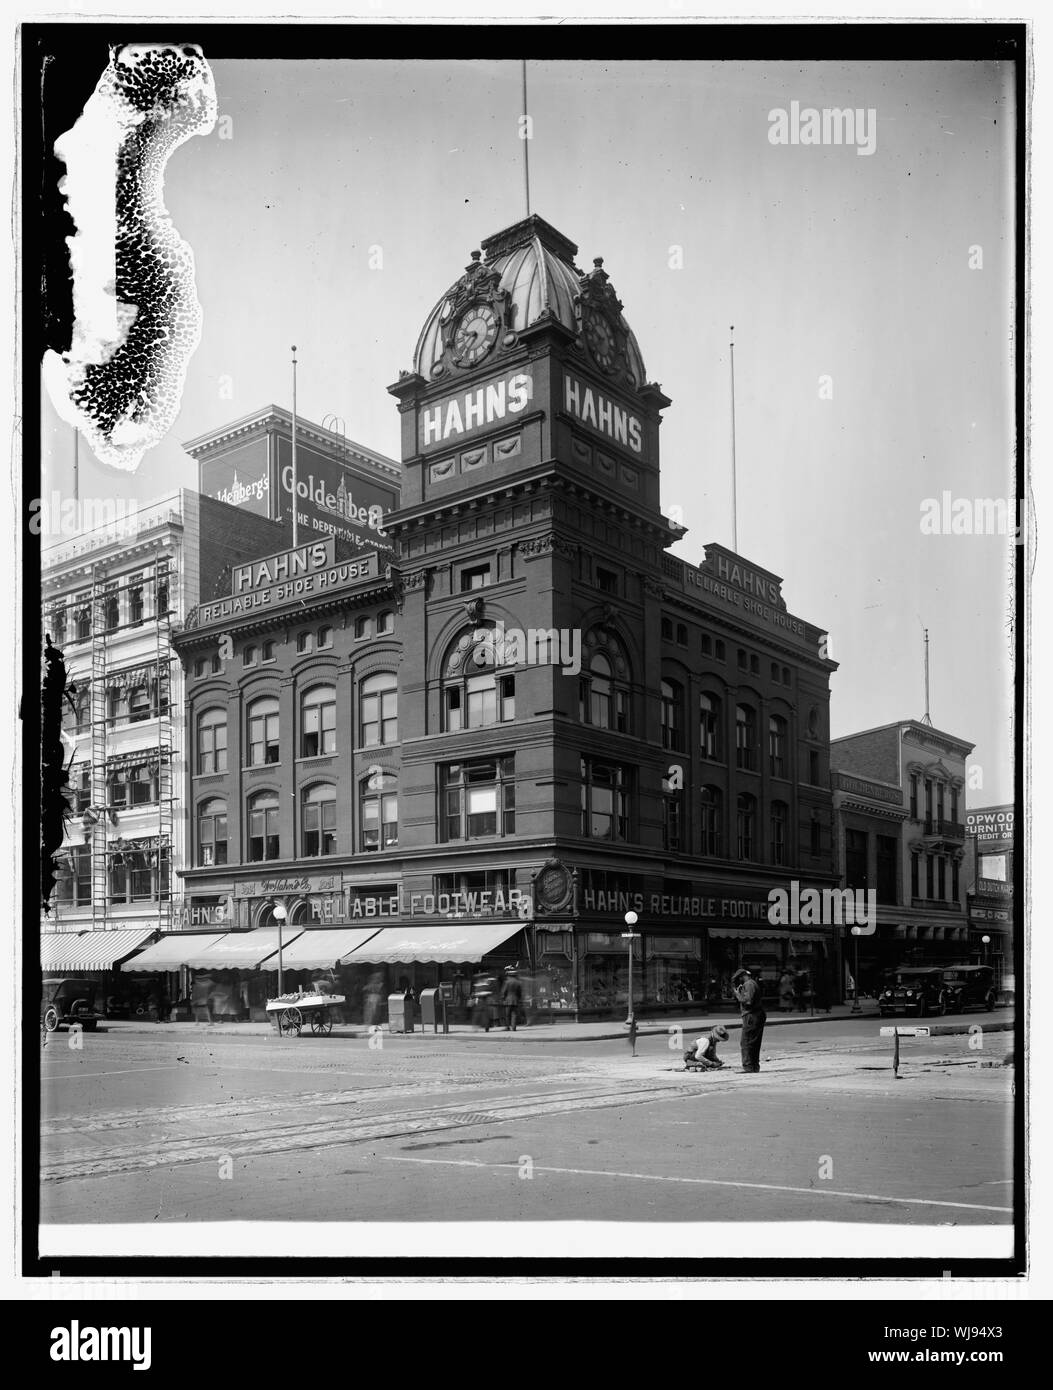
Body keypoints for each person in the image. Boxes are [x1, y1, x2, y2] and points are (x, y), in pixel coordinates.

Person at [732, 966, 767, 1073]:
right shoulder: (752, 983)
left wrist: (738, 995)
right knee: (754, 1041)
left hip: (751, 1015)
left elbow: (748, 1002)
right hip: (756, 1015)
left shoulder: (749, 984)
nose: (738, 981)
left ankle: (748, 1066)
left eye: (739, 979)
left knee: (746, 1042)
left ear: (743, 976)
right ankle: (754, 1066)